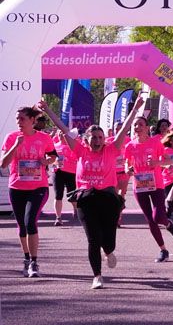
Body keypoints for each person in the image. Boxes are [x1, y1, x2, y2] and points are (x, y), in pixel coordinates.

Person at [49, 98, 146, 289]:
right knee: (93, 239)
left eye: (100, 137)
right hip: (86, 199)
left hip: (108, 199)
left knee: (108, 240)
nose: (98, 140)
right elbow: (62, 127)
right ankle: (97, 276)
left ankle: (108, 251)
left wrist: (135, 109)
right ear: (86, 140)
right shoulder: (80, 150)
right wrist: (47, 110)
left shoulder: (111, 150)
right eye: (93, 137)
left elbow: (125, 129)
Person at [4, 104, 56, 277]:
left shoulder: (44, 138)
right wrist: (15, 146)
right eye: (17, 119)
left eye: (22, 119)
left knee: (30, 221)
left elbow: (53, 156)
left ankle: (34, 262)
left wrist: (47, 161)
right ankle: (26, 259)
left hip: (38, 187)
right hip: (17, 187)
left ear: (32, 120)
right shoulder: (12, 137)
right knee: (21, 225)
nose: (19, 122)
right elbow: (3, 164)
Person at [124, 113, 173, 262]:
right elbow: (127, 163)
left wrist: (156, 163)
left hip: (156, 185)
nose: (137, 127)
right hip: (139, 186)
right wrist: (128, 169)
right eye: (135, 125)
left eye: (141, 125)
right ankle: (163, 250)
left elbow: (168, 161)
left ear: (147, 128)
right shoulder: (130, 146)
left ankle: (168, 224)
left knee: (158, 217)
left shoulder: (155, 143)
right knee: (150, 219)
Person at [49, 120, 79, 226]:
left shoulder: (73, 146)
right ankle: (58, 218)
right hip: (58, 172)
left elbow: (78, 158)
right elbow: (49, 157)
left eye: (63, 133)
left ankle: (75, 210)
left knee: (72, 196)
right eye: (59, 133)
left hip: (71, 173)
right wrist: (52, 161)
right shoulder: (54, 145)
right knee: (58, 195)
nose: (61, 135)